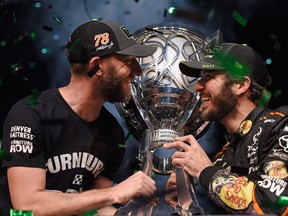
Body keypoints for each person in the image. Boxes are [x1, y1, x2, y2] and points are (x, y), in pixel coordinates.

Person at [0, 19, 157, 215]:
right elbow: (28, 205)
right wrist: (115, 192)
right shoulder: (30, 114)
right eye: (128, 62)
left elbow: (97, 208)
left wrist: (130, 213)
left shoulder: (112, 132)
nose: (138, 72)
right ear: (97, 66)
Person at [164, 42, 288, 215]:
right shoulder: (222, 159)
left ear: (240, 85)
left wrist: (205, 171)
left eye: (208, 77)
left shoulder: (282, 126)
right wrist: (187, 202)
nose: (198, 87)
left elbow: (272, 207)